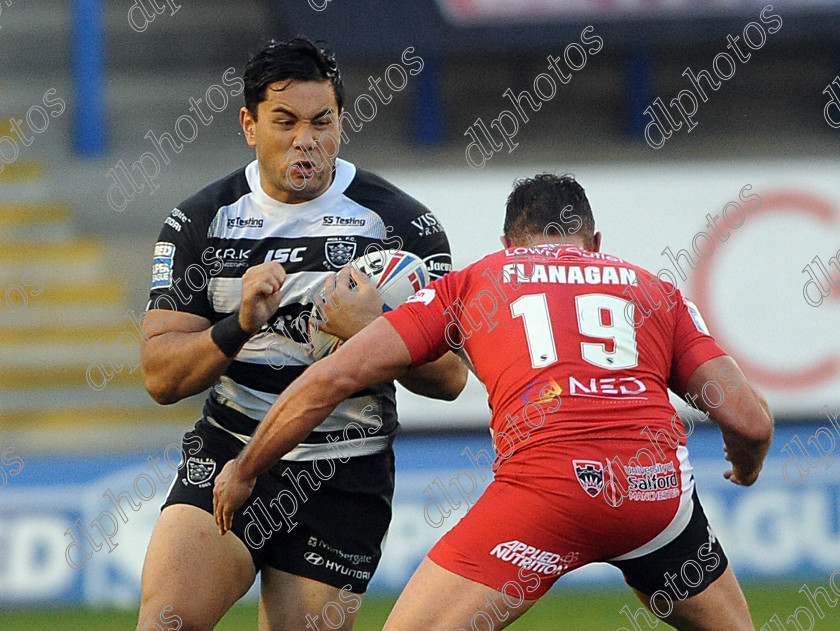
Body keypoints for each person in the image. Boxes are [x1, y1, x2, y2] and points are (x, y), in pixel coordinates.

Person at [214, 174, 774, 631]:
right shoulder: (655, 290)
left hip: (546, 495)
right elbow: (750, 422)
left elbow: (331, 380)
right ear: (596, 243)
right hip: (658, 501)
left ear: (507, 244)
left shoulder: (477, 282)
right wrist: (744, 469)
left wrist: (245, 467)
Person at [136, 37, 467, 631]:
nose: (305, 139)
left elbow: (450, 379)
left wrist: (376, 331)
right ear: (249, 124)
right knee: (166, 622)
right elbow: (161, 378)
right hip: (228, 450)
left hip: (342, 472)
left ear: (341, 121)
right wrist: (236, 326)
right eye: (285, 122)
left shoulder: (401, 224)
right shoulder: (200, 221)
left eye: (323, 122)